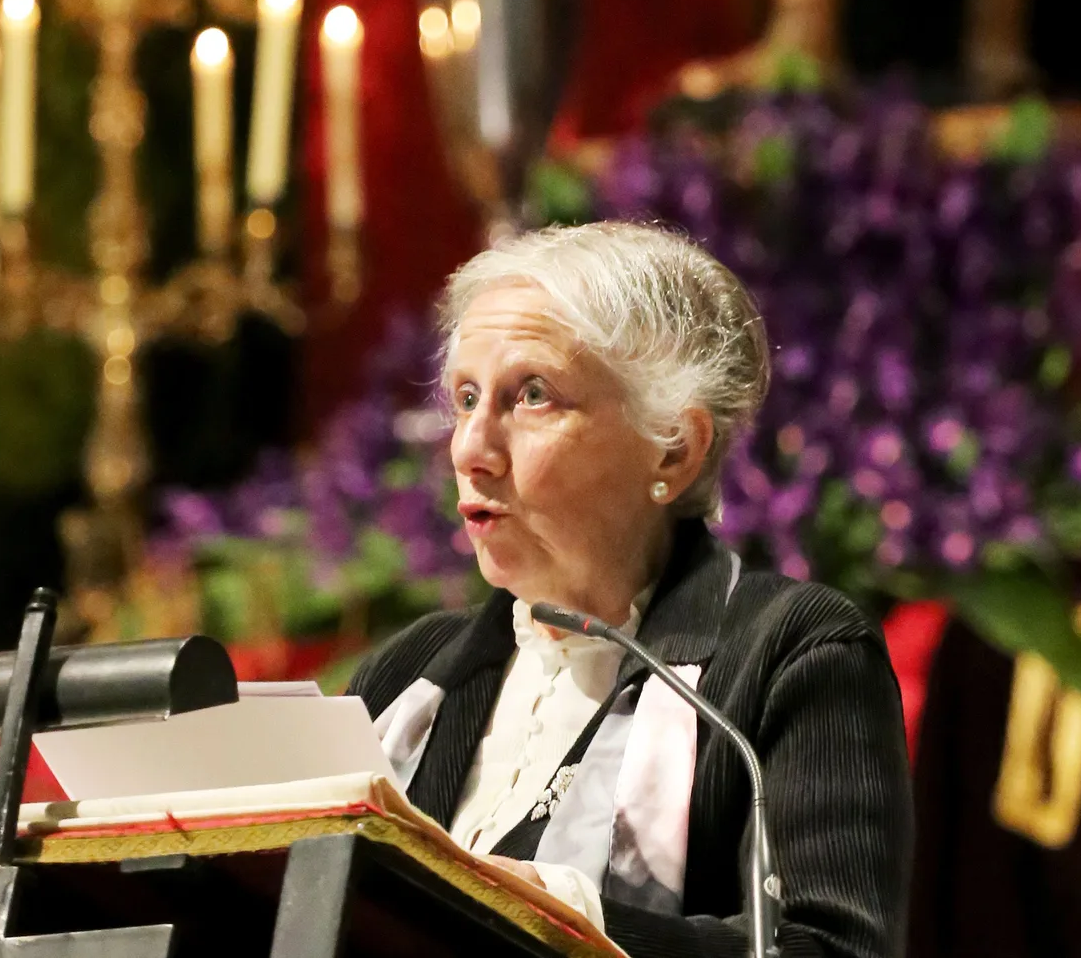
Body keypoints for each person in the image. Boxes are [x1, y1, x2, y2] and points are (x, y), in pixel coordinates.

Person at [346, 222, 913, 957]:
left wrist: (563, 920)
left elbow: (831, 950)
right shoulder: (409, 674)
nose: (470, 448)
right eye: (464, 397)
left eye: (533, 395)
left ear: (673, 448)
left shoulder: (794, 653)